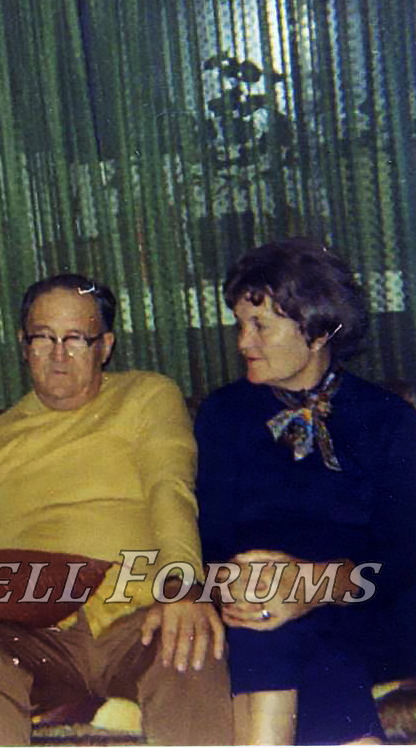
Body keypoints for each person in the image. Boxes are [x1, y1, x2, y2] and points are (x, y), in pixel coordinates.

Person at [0, 273, 235, 746]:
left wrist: (183, 587)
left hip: (136, 616)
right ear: (23, 343)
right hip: (36, 632)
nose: (59, 353)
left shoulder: (147, 396)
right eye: (43, 337)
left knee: (191, 645)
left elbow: (169, 489)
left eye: (76, 338)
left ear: (105, 345)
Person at [195, 238, 416, 744]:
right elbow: (211, 535)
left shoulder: (387, 420)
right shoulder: (225, 415)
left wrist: (315, 585)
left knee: (280, 629)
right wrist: (249, 582)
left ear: (317, 331)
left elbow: (404, 556)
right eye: (239, 325)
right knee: (267, 624)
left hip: (373, 608)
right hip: (267, 606)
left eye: (260, 326)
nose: (243, 343)